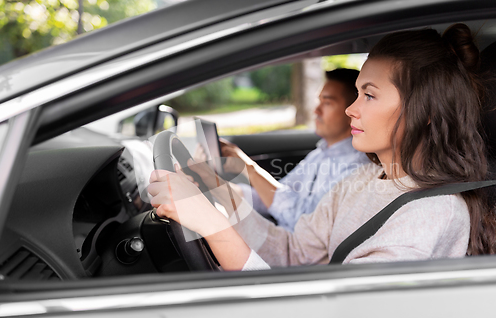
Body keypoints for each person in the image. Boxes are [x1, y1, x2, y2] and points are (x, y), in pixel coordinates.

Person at [148, 23, 496, 271]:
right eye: (357, 92)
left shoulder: (431, 214)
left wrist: (213, 225)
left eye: (369, 95)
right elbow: (292, 252)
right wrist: (218, 195)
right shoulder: (364, 179)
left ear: (428, 112)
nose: (351, 109)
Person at [220, 69, 369, 231]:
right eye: (319, 101)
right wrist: (221, 189)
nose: (316, 110)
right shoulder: (320, 154)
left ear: (353, 113)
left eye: (327, 103)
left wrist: (249, 169)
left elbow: (304, 221)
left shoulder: (357, 167)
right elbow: (272, 195)